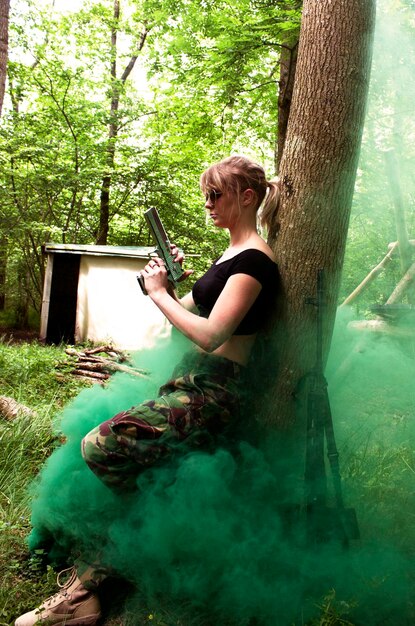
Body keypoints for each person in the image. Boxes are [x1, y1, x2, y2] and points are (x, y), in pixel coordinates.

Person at [15, 155, 281, 626]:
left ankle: (89, 591)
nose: (207, 204)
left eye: (215, 194)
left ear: (246, 196)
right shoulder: (229, 257)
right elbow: (184, 325)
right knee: (144, 483)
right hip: (190, 383)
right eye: (205, 195)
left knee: (100, 447)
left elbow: (211, 335)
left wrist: (161, 295)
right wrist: (161, 285)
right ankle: (88, 593)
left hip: (214, 394)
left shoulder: (255, 262)